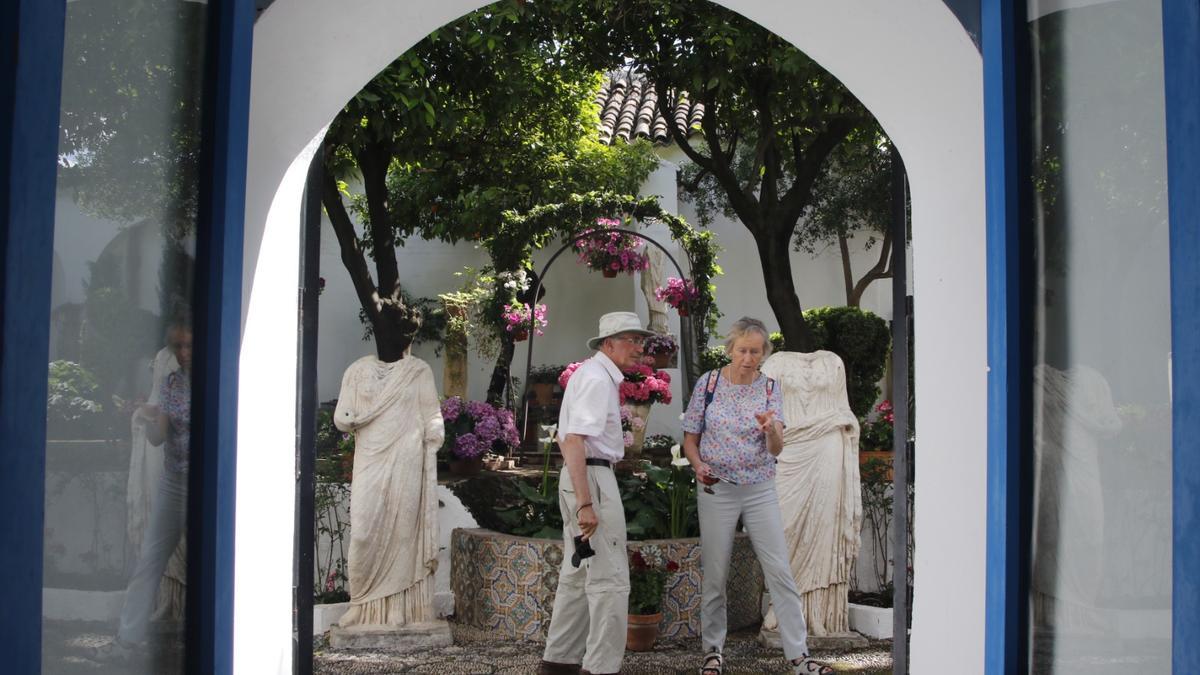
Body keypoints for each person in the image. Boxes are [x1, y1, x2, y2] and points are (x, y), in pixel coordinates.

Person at [681, 317, 833, 675]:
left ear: (765, 352)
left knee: (779, 570)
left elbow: (777, 446)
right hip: (716, 488)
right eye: (742, 350)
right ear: (730, 349)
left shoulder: (769, 389)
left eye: (756, 351)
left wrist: (769, 430)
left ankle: (799, 656)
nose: (748, 357)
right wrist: (698, 464)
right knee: (716, 573)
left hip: (760, 488)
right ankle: (713, 652)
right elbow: (690, 439)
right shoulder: (709, 383)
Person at [539, 311, 652, 675]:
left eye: (640, 340)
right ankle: (600, 668)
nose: (639, 347)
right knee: (609, 576)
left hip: (583, 478)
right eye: (631, 340)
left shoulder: (593, 374)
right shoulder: (597, 380)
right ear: (608, 344)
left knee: (578, 573)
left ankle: (559, 663)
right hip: (591, 478)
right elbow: (573, 439)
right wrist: (586, 502)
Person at [94, 318, 193, 661]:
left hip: (209, 486)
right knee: (150, 559)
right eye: (177, 346)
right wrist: (143, 418)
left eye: (188, 345)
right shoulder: (172, 384)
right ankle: (127, 640)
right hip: (175, 483)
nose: (182, 353)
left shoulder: (217, 379)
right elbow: (159, 437)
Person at [333, 337, 444, 627]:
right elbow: (341, 414)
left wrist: (434, 432)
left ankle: (399, 605)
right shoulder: (358, 370)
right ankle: (360, 604)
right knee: (363, 531)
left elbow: (432, 413)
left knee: (403, 530)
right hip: (370, 458)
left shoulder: (419, 371)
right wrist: (346, 418)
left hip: (407, 457)